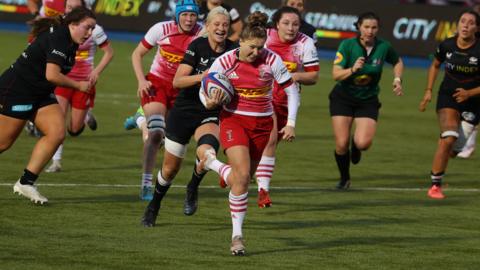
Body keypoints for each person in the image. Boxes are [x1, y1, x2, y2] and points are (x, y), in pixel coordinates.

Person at [199, 11, 300, 255]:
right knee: (242, 176)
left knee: (241, 179)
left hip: (263, 125)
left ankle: (212, 163)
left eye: (261, 48)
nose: (257, 53)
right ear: (241, 42)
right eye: (252, 48)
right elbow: (205, 89)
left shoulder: (271, 59)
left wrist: (291, 123)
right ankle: (237, 237)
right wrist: (209, 103)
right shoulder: (225, 61)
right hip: (234, 121)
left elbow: (291, 90)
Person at [140, 6, 238, 226]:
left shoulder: (234, 50)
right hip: (185, 109)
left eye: (225, 25)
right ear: (209, 26)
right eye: (217, 24)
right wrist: (205, 76)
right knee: (170, 169)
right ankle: (154, 204)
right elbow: (178, 81)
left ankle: (193, 186)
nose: (221, 29)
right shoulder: (197, 46)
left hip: (211, 111)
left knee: (208, 150)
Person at [0, 7, 96, 204]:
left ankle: (26, 182)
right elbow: (51, 75)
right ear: (73, 24)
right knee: (3, 144)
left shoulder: (70, 41)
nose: (90, 33)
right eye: (87, 28)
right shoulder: (60, 38)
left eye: (92, 29)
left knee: (57, 133)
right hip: (17, 90)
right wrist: (79, 85)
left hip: (40, 93)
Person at [131, 0, 202, 201]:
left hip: (183, 90)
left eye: (193, 15)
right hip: (157, 84)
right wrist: (141, 80)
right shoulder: (161, 29)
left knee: (170, 138)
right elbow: (137, 54)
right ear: (177, 15)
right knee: (155, 133)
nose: (189, 19)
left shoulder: (203, 33)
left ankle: (139, 119)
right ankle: (146, 183)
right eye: (185, 15)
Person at [330, 12, 404, 189]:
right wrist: (353, 69)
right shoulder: (347, 45)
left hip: (368, 99)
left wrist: (397, 80)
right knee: (341, 144)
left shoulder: (384, 46)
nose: (370, 31)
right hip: (343, 98)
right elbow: (335, 74)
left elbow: (398, 62)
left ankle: (356, 145)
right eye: (366, 27)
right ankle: (344, 178)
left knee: (363, 143)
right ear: (359, 27)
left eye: (374, 27)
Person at [254, 6, 319, 208]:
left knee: (265, 144)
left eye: (295, 24)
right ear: (276, 24)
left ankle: (237, 168)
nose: (291, 28)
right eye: (286, 23)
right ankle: (263, 191)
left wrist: (293, 76)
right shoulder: (264, 37)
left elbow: (314, 76)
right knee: (271, 139)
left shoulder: (305, 43)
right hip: (260, 96)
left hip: (287, 100)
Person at [44, 0, 114, 173]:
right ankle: (56, 162)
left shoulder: (94, 29)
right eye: (68, 7)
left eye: (74, 8)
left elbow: (109, 52)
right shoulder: (61, 26)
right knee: (58, 121)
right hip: (62, 79)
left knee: (74, 129)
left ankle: (86, 116)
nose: (70, 11)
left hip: (84, 83)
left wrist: (96, 71)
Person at [419, 10, 480, 199]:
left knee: (453, 150)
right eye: (463, 21)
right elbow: (435, 64)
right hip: (448, 97)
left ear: (477, 28)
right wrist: (428, 91)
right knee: (450, 137)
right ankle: (435, 185)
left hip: (474, 102)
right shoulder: (447, 45)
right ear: (458, 24)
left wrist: (469, 93)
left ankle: (446, 140)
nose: (466, 25)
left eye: (471, 23)